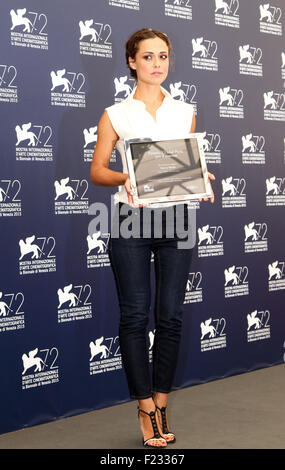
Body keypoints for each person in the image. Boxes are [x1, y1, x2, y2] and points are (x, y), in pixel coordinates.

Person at [90, 28, 215, 448]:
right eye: (148, 57)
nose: (157, 63)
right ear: (132, 62)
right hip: (131, 223)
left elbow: (185, 165)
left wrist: (201, 176)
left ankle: (161, 401)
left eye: (163, 56)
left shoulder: (185, 111)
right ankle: (144, 406)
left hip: (177, 221)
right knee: (134, 317)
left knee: (170, 316)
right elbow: (98, 171)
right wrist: (129, 178)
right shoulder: (115, 114)